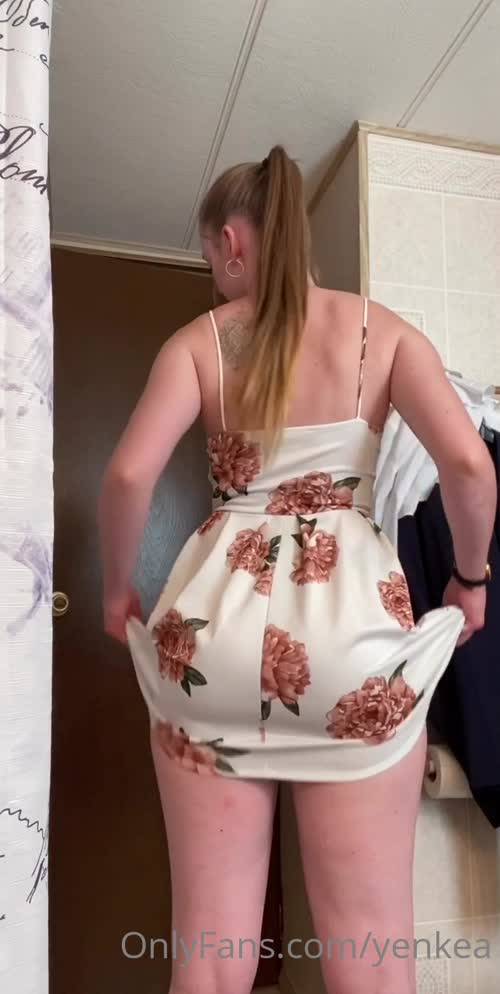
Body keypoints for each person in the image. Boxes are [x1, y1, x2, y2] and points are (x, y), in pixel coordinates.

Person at [98, 146, 497, 994]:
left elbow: (129, 475)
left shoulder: (199, 343)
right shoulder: (382, 332)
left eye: (211, 259)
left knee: (210, 951)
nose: (217, 278)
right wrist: (470, 581)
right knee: (369, 948)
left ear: (233, 241)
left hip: (210, 644)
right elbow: (469, 465)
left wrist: (116, 591)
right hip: (353, 646)